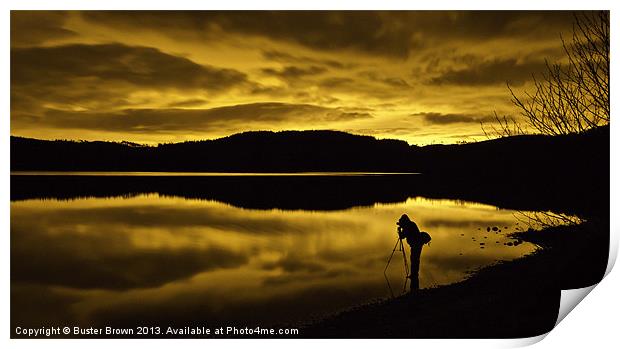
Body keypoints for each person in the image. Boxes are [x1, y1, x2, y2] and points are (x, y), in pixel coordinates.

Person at [396, 214, 430, 292]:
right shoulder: (410, 224)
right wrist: (401, 229)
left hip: (416, 244)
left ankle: (414, 276)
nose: (401, 224)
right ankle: (414, 276)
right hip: (416, 243)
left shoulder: (408, 226)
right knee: (414, 259)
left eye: (401, 223)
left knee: (414, 259)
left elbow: (402, 236)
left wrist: (399, 231)